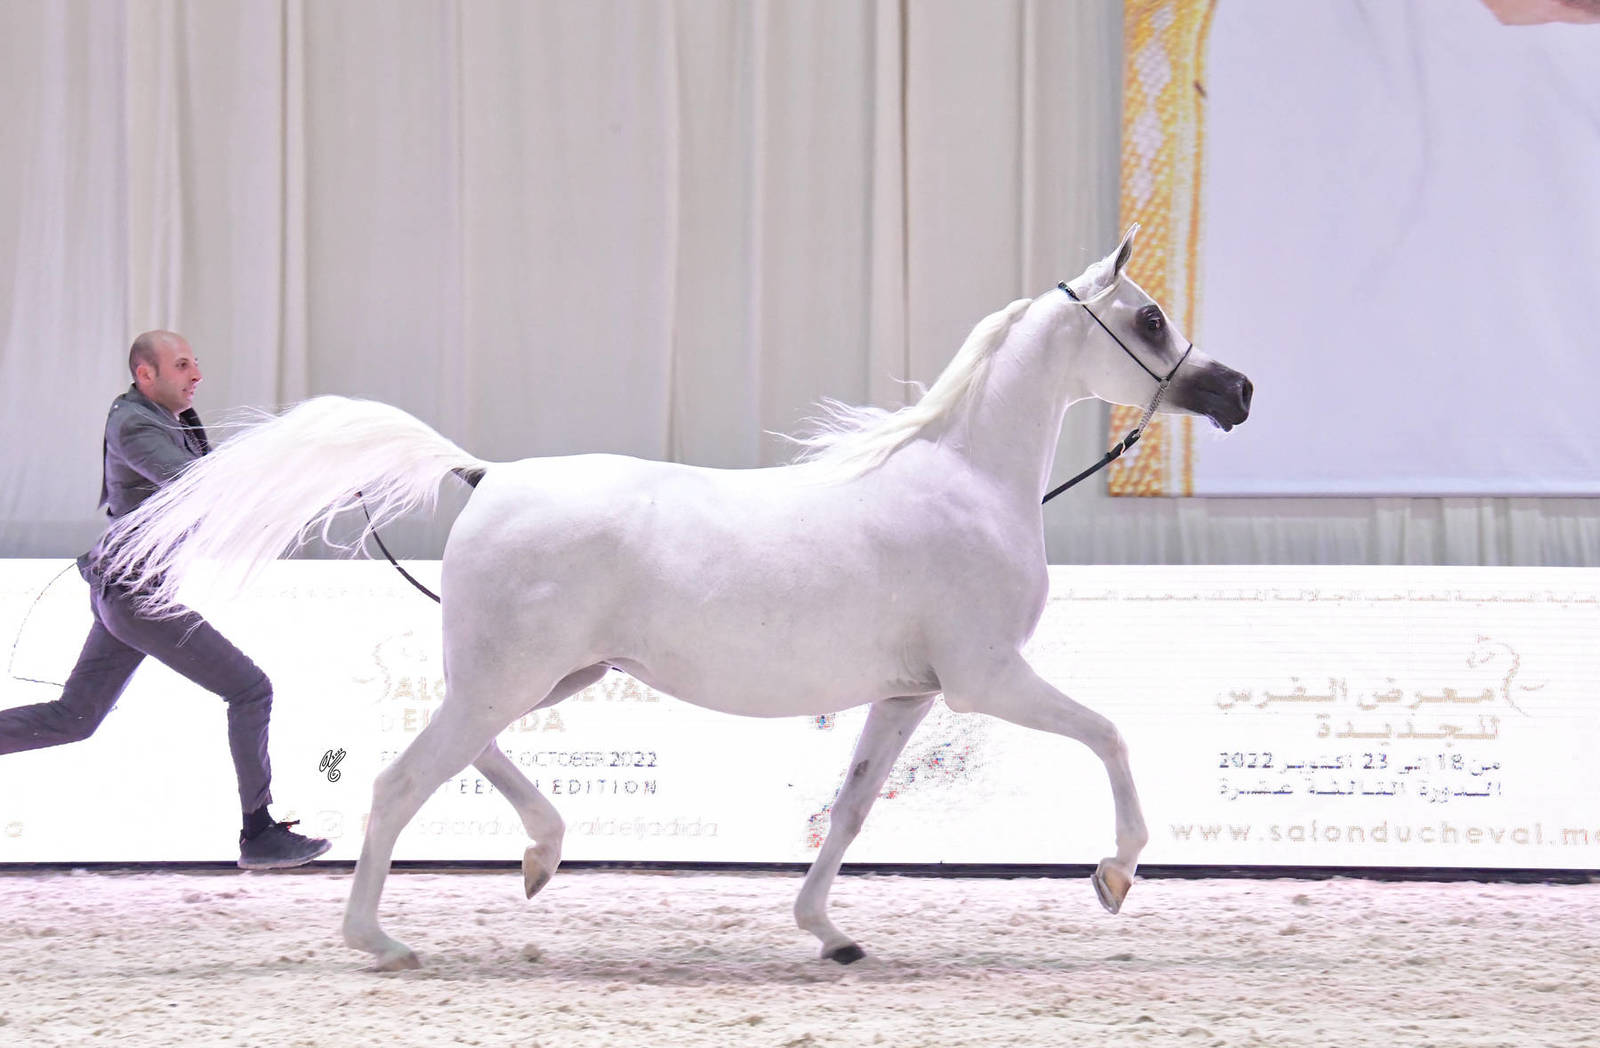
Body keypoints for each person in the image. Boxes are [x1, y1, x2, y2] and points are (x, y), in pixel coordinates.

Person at [0, 331, 330, 869]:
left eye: (195, 363)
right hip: (137, 598)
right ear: (145, 374)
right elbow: (201, 488)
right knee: (250, 691)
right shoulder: (135, 424)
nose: (196, 374)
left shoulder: (170, 420)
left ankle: (261, 833)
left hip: (126, 594)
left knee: (74, 718)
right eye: (181, 365)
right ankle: (259, 832)